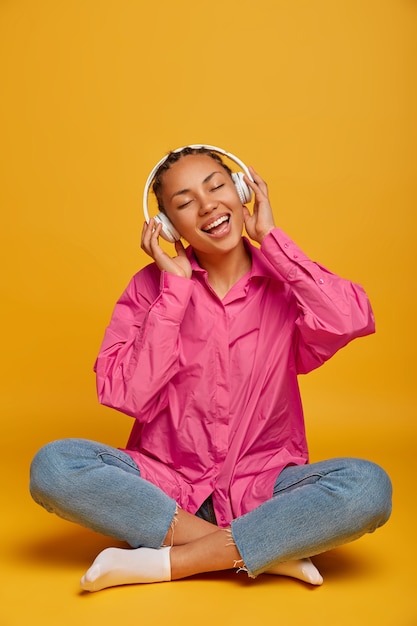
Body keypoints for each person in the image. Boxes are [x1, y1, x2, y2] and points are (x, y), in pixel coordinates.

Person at [30, 145, 392, 593]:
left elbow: (351, 318)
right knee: (55, 467)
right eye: (184, 203)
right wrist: (175, 294)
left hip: (264, 492)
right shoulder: (151, 289)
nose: (207, 206)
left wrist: (274, 241)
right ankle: (263, 552)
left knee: (367, 487)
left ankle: (166, 563)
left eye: (217, 186)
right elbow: (127, 396)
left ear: (242, 192)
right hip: (166, 495)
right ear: (166, 225)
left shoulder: (283, 281)